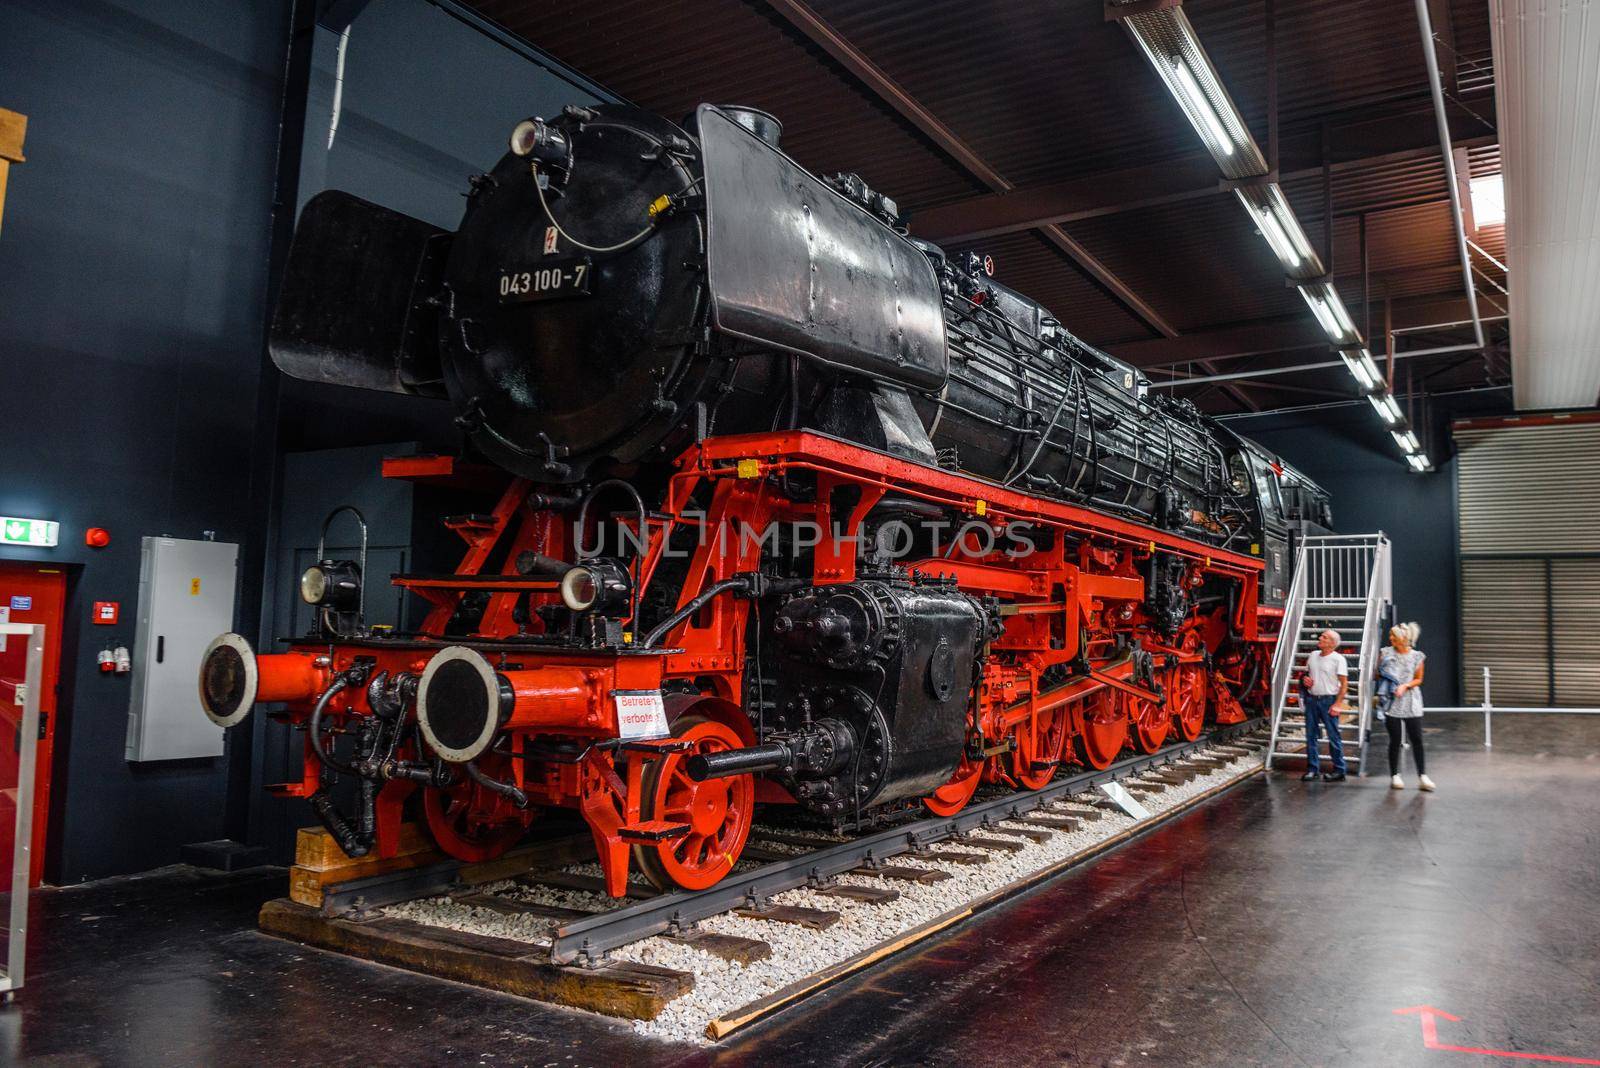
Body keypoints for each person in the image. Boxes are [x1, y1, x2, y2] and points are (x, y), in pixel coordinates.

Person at [1377, 621, 1434, 791]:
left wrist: (1405, 686)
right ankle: (1395, 775)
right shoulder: (1385, 652)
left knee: (1417, 739)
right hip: (1391, 701)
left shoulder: (1417, 656)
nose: (1390, 638)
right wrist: (1387, 680)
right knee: (1395, 740)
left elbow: (1419, 679)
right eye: (1390, 635)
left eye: (1393, 635)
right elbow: (1378, 673)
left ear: (1403, 638)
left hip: (1411, 700)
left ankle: (1422, 776)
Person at [1301, 629, 1348, 782]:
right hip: (1312, 700)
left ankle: (1339, 770)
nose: (1320, 637)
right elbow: (1307, 675)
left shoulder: (1338, 659)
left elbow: (1344, 684)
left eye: (1324, 637)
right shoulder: (1313, 655)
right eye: (1321, 635)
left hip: (1329, 701)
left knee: (1333, 737)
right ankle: (1312, 770)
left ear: (1332, 643)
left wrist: (1338, 704)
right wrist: (1305, 679)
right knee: (1310, 736)